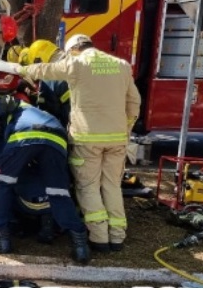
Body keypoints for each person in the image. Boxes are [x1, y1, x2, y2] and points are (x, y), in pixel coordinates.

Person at [16, 34, 141, 253]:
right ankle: (118, 237)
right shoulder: (122, 65)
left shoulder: (76, 64)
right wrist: (126, 128)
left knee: (88, 187)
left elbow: (44, 70)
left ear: (73, 49)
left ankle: (99, 238)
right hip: (117, 139)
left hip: (86, 139)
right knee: (111, 185)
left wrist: (19, 70)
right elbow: (134, 102)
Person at [0, 94, 90, 264]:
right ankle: (80, 246)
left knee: (1, 183)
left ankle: (1, 239)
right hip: (57, 138)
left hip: (25, 135)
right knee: (59, 193)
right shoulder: (41, 112)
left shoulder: (17, 105)